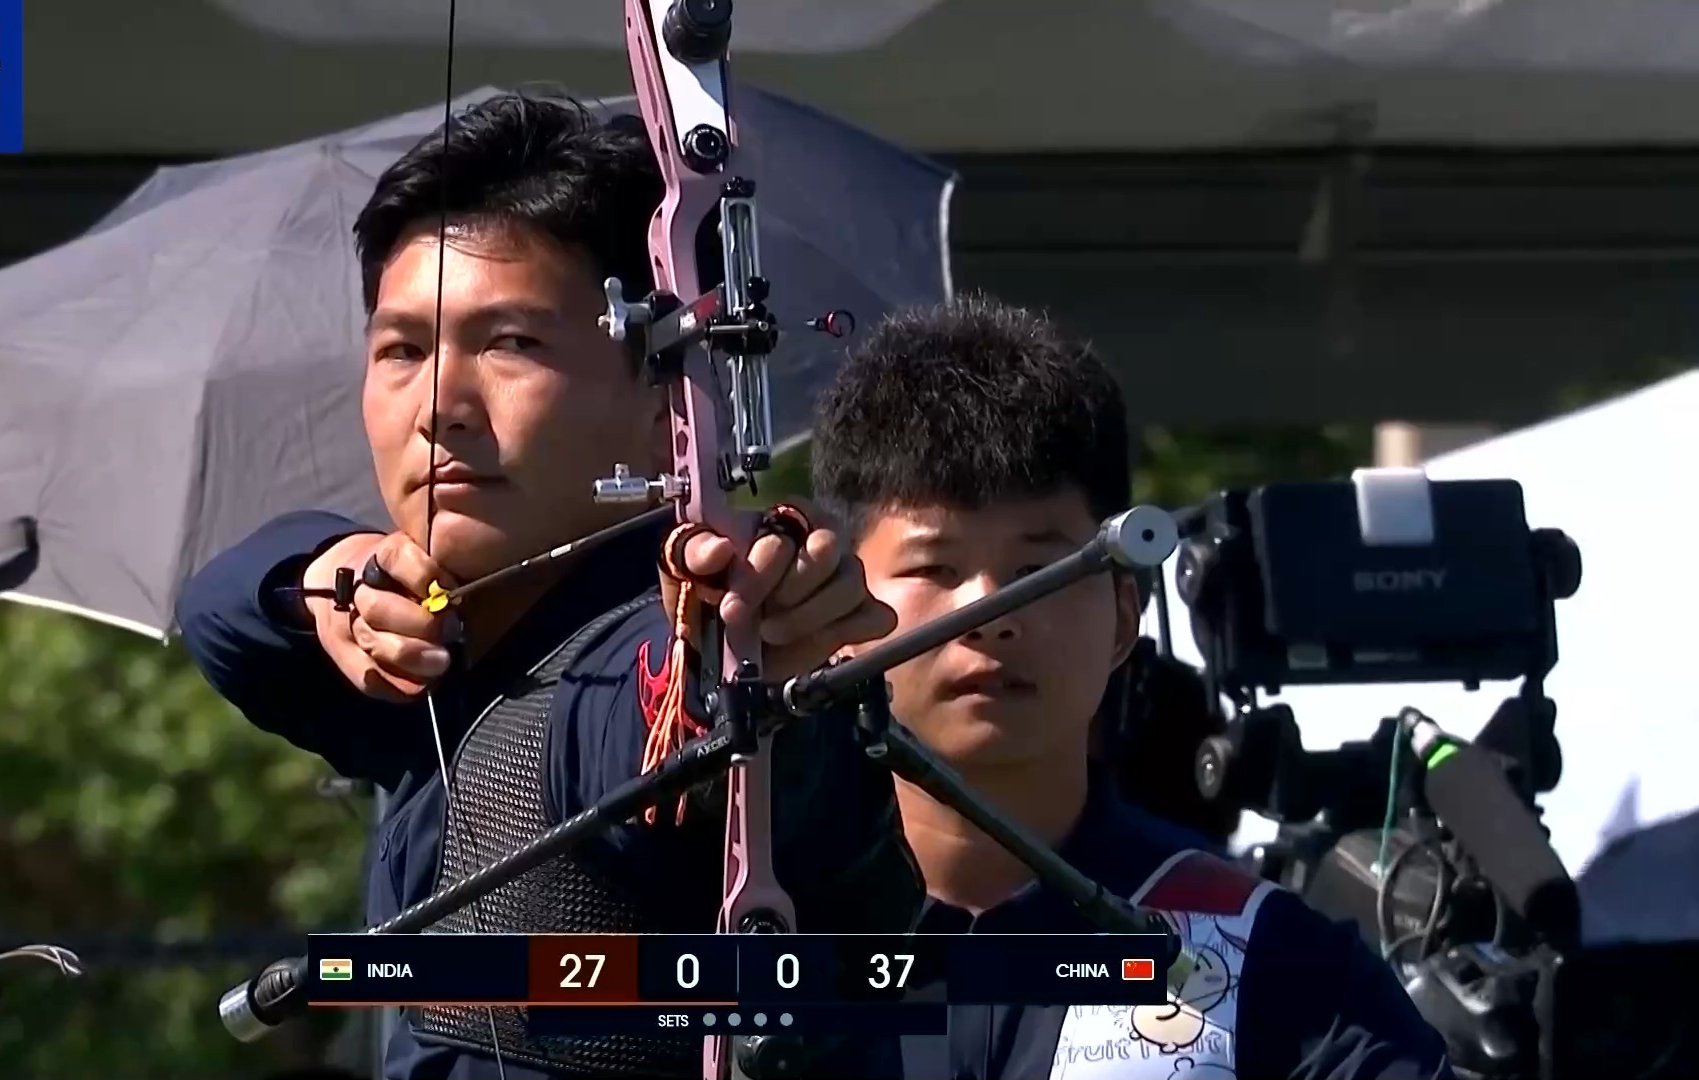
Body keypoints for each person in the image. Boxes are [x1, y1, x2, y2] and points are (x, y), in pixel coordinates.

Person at [176, 92, 922, 1080]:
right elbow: (219, 612)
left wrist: (746, 655)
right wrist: (322, 579)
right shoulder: (426, 656)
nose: (438, 405)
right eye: (402, 348)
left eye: (512, 342)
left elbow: (656, 723)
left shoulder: (621, 654)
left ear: (672, 398)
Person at [810, 295, 1455, 1080]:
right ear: (838, 616)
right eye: (934, 567)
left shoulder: (1269, 960)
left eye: (1038, 570)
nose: (986, 611)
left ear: (1123, 618)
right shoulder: (740, 938)